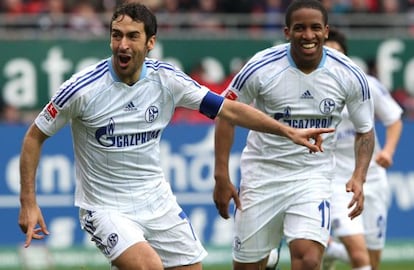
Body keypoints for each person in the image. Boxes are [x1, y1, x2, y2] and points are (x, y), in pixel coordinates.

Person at [17, 3, 335, 270]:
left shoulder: (167, 81)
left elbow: (230, 110)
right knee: (149, 267)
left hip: (156, 201)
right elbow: (34, 136)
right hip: (104, 207)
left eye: (132, 36)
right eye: (116, 36)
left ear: (150, 42)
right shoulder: (82, 89)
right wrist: (28, 201)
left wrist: (287, 131)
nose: (122, 45)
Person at [213, 0, 375, 270]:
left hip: (312, 176)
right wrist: (221, 176)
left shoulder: (349, 73)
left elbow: (365, 130)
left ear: (326, 30)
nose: (308, 36)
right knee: (247, 266)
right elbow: (225, 113)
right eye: (300, 28)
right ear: (287, 32)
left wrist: (359, 176)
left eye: (315, 28)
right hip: (262, 175)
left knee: (309, 260)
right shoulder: (261, 67)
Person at [323, 28, 403, 270]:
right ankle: (334, 249)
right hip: (337, 182)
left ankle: (332, 251)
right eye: (327, 54)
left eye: (337, 53)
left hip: (373, 179)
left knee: (372, 262)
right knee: (359, 257)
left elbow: (394, 119)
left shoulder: (366, 85)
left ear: (345, 57)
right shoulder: (310, 91)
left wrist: (387, 151)